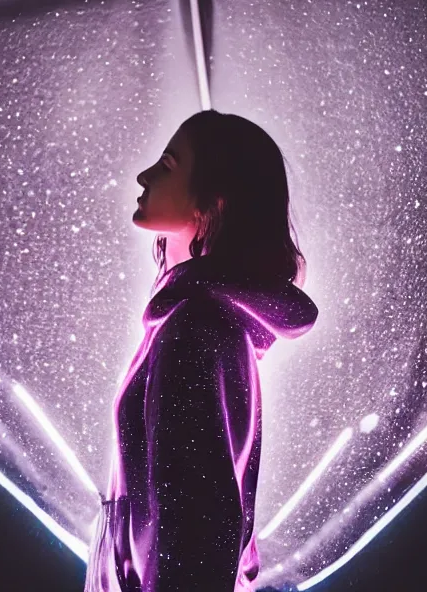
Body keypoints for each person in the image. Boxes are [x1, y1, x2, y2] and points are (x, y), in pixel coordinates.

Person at [84, 110, 319, 592]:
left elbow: (200, 522)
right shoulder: (193, 316)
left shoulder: (195, 325)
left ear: (213, 203)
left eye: (168, 164)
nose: (144, 175)